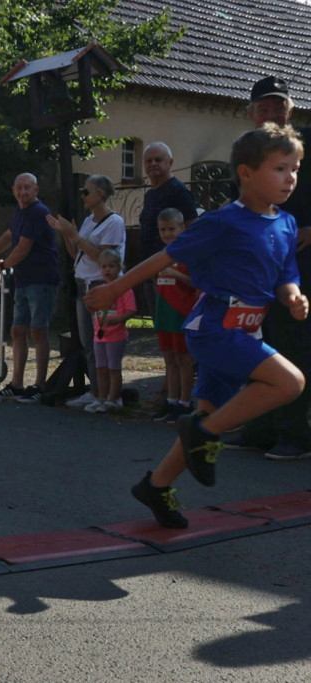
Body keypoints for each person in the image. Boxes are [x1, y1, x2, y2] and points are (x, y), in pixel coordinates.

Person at [86, 124, 307, 529]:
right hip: (214, 328)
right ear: (245, 172)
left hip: (247, 330)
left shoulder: (287, 223)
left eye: (295, 169)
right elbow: (163, 258)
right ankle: (205, 431)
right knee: (290, 383)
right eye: (280, 168)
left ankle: (156, 484)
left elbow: (284, 271)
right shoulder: (223, 222)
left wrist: (292, 293)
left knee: (205, 416)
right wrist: (114, 287)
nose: (291, 178)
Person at [225, 76, 311, 460]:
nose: (273, 113)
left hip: (301, 268)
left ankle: (294, 434)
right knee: (257, 344)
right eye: (265, 108)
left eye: (279, 107)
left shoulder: (307, 145)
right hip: (259, 270)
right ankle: (261, 427)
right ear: (251, 114)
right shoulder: (245, 154)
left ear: (291, 111)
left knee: (295, 346)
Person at [46, 174, 127, 408]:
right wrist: (66, 233)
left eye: (86, 191)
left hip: (100, 285)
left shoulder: (114, 223)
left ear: (100, 195)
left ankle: (111, 396)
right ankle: (96, 392)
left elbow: (103, 258)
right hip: (84, 283)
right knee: (88, 341)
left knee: (103, 341)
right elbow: (77, 253)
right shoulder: (90, 220)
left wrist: (74, 236)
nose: (83, 195)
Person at [0, 172, 61, 403]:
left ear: (36, 190)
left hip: (41, 279)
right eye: (20, 188)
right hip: (24, 280)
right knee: (18, 331)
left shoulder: (38, 212)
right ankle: (16, 384)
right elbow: (10, 235)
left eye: (28, 187)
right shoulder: (20, 211)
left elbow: (24, 247)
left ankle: (40, 386)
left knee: (39, 331)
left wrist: (3, 264)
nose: (23, 192)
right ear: (14, 190)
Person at [137, 142, 199, 315]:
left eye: (158, 159)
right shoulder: (150, 195)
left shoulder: (179, 191)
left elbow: (193, 230)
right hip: (151, 271)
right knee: (159, 325)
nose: (153, 164)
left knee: (173, 324)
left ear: (170, 163)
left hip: (173, 272)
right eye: (148, 161)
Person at [150, 208, 197, 423]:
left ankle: (185, 403)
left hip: (182, 313)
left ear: (183, 228)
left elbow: (198, 282)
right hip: (164, 313)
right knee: (169, 358)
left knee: (184, 360)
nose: (167, 234)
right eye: (162, 230)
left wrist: (175, 273)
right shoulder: (161, 255)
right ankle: (171, 401)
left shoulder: (189, 253)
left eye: (171, 229)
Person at [85, 250, 137, 413]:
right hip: (99, 335)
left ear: (119, 267)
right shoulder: (99, 289)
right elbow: (94, 311)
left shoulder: (124, 288)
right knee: (100, 367)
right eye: (104, 266)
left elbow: (131, 310)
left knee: (113, 368)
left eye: (111, 266)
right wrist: (89, 304)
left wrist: (117, 320)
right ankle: (102, 397)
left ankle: (114, 398)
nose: (107, 270)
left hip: (116, 335)